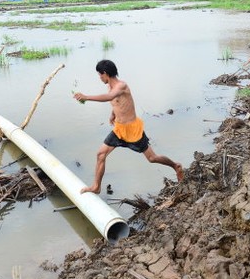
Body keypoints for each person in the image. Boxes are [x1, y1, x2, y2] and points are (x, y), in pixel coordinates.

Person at [73, 59, 184, 194]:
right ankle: (96, 187)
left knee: (152, 158)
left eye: (100, 75)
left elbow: (109, 97)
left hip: (132, 130)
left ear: (105, 73)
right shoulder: (110, 87)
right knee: (101, 154)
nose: (99, 78)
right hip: (119, 130)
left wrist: (86, 97)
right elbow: (116, 102)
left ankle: (175, 166)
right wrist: (112, 114)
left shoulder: (121, 86)